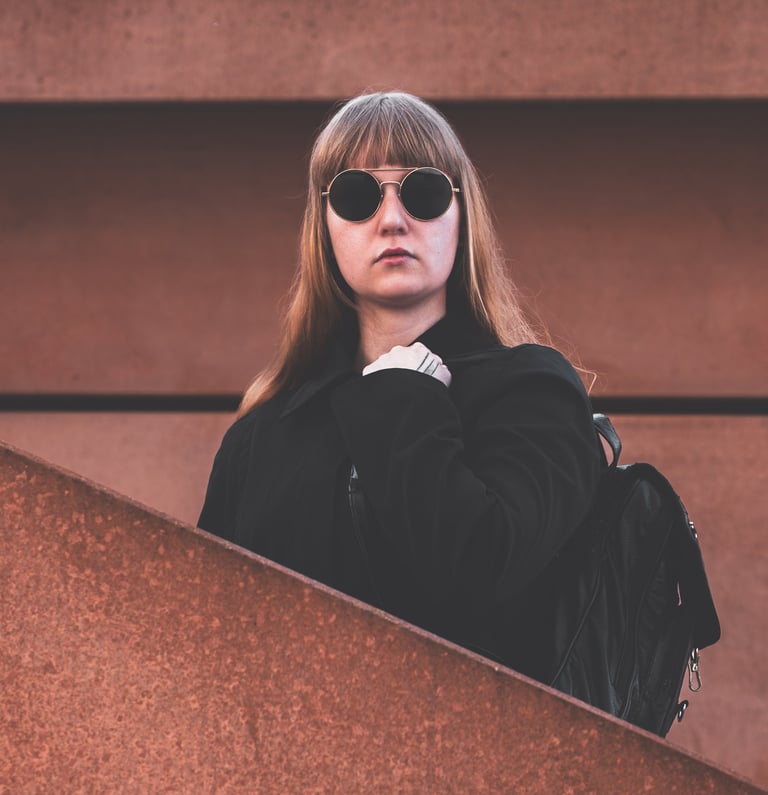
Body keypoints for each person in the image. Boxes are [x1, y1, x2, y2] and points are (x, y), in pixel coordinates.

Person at [198, 91, 603, 677]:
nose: (392, 219)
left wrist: (404, 400)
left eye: (424, 192)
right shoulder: (264, 434)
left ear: (461, 217)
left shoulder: (533, 395)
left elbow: (479, 573)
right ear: (324, 226)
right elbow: (209, 639)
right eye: (357, 195)